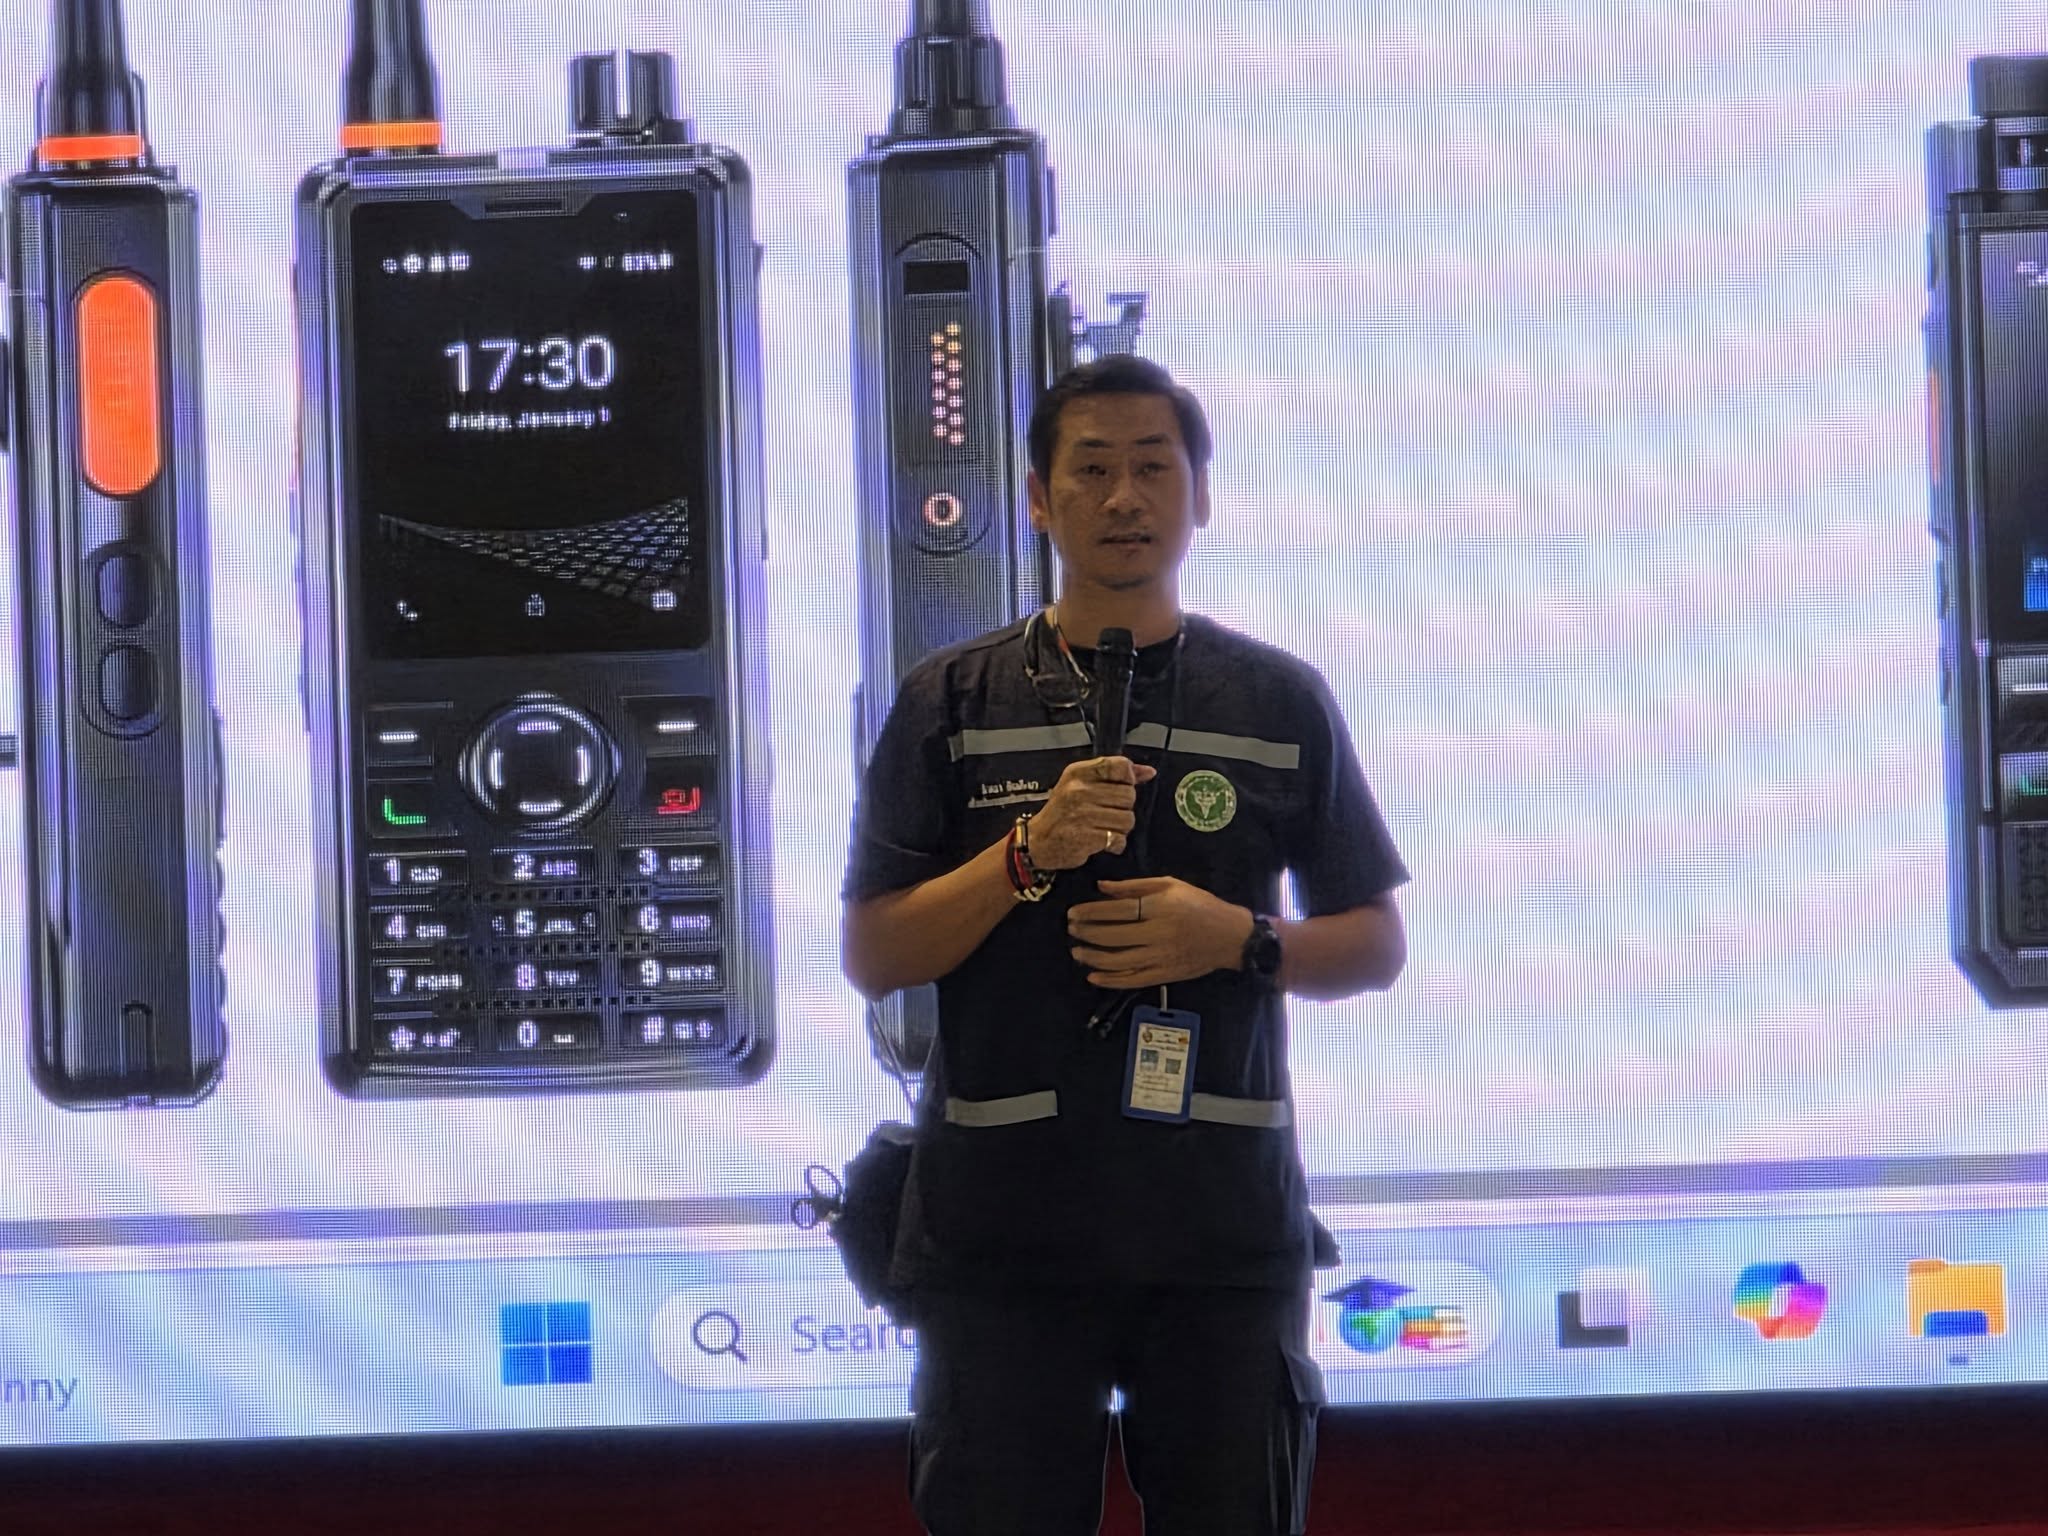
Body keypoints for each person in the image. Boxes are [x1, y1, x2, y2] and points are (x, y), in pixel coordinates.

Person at [840, 354, 1408, 1536]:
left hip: (1219, 1236)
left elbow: (1371, 945)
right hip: (1000, 1240)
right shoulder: (950, 701)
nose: (1122, 498)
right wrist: (1024, 855)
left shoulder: (1278, 699)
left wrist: (1236, 940)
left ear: (1200, 495)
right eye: (1089, 470)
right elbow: (875, 954)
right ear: (1036, 501)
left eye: (1153, 468)